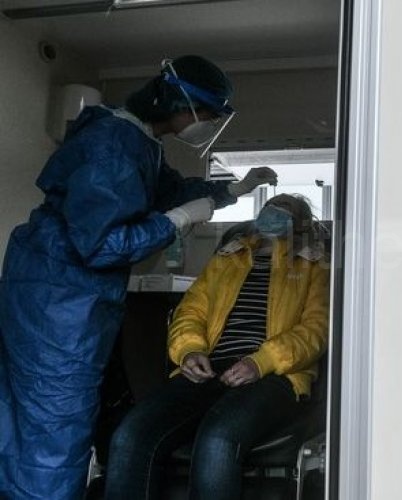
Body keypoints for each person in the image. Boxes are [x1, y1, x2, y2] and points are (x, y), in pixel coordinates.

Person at [0, 55, 278, 500]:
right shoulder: (112, 144)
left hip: (56, 289)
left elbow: (170, 191)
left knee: (28, 418)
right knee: (54, 421)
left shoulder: (137, 139)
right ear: (178, 102)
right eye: (207, 114)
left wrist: (232, 190)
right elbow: (99, 245)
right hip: (59, 299)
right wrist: (178, 220)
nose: (207, 125)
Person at [104, 194, 330, 500]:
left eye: (285, 208)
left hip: (275, 375)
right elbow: (190, 312)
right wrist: (189, 351)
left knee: (218, 439)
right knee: (131, 434)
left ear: (300, 221)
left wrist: (260, 362)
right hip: (210, 368)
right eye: (270, 205)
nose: (274, 210)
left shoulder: (314, 265)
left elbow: (317, 329)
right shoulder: (227, 258)